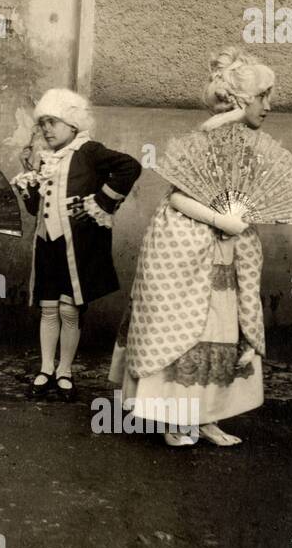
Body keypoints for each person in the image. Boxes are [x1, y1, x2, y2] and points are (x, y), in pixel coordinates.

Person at [108, 50, 273, 447]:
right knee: (185, 326)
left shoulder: (244, 139)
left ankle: (206, 416)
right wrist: (221, 221)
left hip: (225, 247)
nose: (268, 106)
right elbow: (180, 197)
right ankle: (174, 417)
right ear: (240, 100)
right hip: (190, 244)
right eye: (262, 96)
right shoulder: (214, 135)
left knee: (220, 327)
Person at [14, 87, 141, 401]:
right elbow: (35, 210)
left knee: (70, 309)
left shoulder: (89, 151)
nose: (46, 130)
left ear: (73, 125)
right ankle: (45, 368)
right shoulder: (45, 159)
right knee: (48, 307)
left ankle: (65, 370)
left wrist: (99, 201)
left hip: (78, 245)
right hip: (47, 243)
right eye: (42, 123)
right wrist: (29, 179)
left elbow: (130, 167)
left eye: (53, 122)